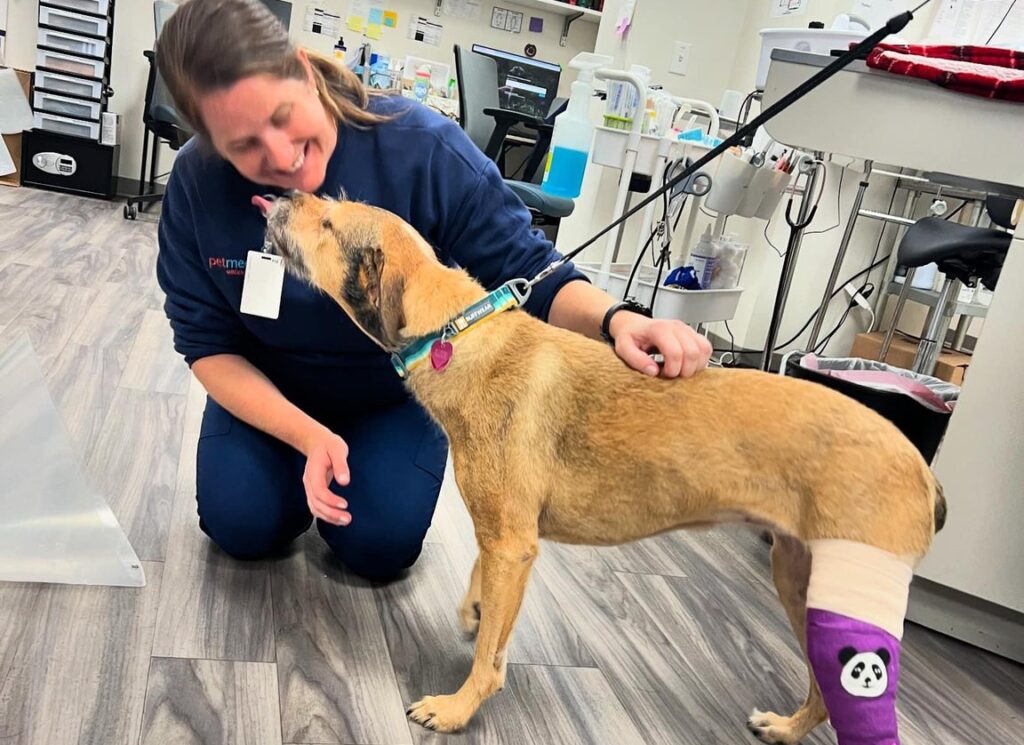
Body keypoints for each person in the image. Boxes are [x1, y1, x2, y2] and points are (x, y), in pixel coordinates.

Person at [155, 0, 712, 581]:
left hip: (392, 392)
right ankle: (280, 476)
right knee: (243, 525)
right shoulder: (197, 183)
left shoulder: (421, 146)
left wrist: (619, 321)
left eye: (281, 116)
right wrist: (306, 437)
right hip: (268, 387)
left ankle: (357, 471)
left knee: (378, 546)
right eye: (242, 146)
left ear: (302, 71)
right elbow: (207, 343)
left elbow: (529, 269)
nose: (279, 157)